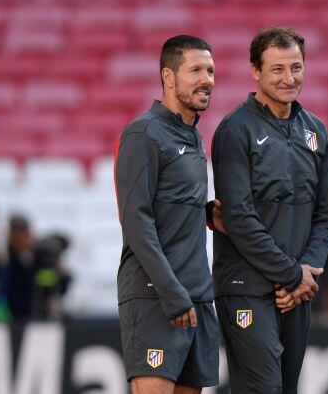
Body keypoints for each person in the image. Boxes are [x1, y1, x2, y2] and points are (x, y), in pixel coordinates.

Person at [210, 27, 328, 393]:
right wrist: (292, 274)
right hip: (246, 287)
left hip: (297, 289)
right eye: (277, 69)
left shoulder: (316, 131)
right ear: (256, 71)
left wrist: (307, 269)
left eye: (296, 67)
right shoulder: (235, 131)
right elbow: (238, 216)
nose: (289, 78)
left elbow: (327, 211)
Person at [114, 35, 219, 394]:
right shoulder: (143, 133)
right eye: (195, 70)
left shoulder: (193, 136)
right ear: (169, 77)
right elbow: (136, 220)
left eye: (210, 70)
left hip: (196, 296)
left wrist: (207, 213)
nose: (206, 79)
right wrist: (170, 291)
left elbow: (169, 205)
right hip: (156, 294)